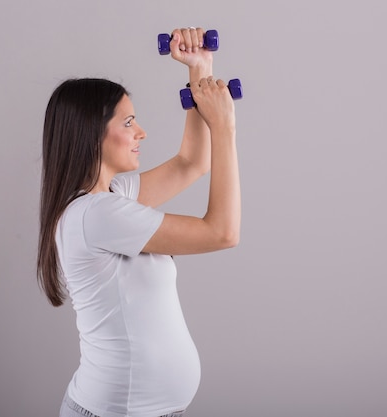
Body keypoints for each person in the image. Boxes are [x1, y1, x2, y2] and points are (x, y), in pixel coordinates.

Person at [37, 27, 241, 417]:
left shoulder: (109, 198)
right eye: (128, 122)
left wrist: (199, 69)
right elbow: (222, 232)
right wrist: (224, 127)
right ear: (91, 135)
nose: (141, 133)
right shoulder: (96, 215)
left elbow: (191, 163)